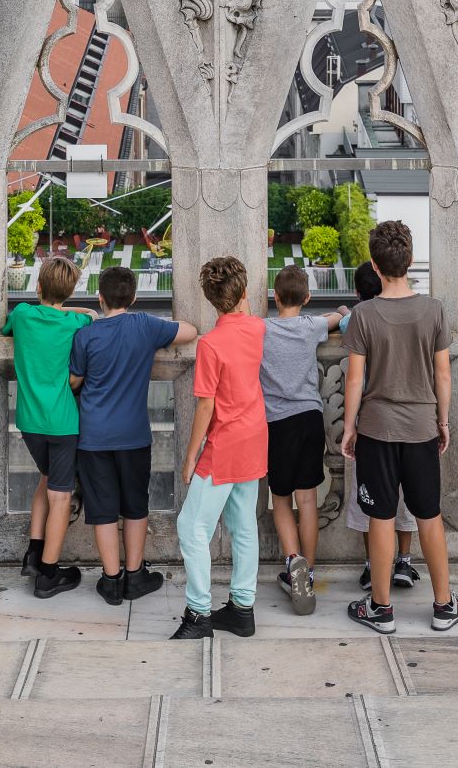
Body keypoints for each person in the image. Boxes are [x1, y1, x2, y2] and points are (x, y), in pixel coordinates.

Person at [342, 220, 458, 633]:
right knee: (428, 514)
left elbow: (355, 379)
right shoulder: (433, 310)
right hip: (421, 427)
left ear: (375, 267)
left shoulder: (363, 315)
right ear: (410, 260)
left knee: (380, 516)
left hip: (377, 429)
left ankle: (380, 609)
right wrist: (443, 420)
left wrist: (349, 426)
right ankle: (444, 605)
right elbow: (443, 375)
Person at [69, 264, 198, 604]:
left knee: (102, 509)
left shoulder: (86, 335)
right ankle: (135, 575)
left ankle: (110, 581)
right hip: (134, 435)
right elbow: (190, 331)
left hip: (93, 436)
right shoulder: (144, 325)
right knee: (135, 505)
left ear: (100, 298)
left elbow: (74, 381)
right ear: (134, 297)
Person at [172, 256, 267, 641]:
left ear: (211, 300)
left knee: (191, 527)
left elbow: (206, 405)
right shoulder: (258, 328)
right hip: (255, 437)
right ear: (245, 293)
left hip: (224, 443)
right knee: (244, 525)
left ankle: (198, 613)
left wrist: (191, 454)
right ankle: (242, 609)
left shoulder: (210, 344)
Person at [3, 255, 92, 598]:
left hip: (29, 421)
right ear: (69, 294)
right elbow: (88, 321)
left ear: (37, 286)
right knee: (60, 494)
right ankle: (49, 574)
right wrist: (81, 313)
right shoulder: (76, 325)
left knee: (44, 481)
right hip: (63, 423)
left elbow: (6, 328)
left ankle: (33, 553)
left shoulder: (23, 316)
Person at [260, 263, 347, 614]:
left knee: (281, 500)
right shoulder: (311, 326)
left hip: (277, 424)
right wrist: (341, 310)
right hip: (311, 418)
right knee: (308, 500)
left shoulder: (263, 329)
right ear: (306, 297)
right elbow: (337, 318)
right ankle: (307, 572)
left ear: (274, 297)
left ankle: (292, 560)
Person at [340, 260, 419, 593]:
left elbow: (345, 321)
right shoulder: (414, 314)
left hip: (371, 420)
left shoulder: (357, 320)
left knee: (368, 498)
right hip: (413, 422)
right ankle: (403, 560)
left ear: (359, 292)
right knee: (405, 496)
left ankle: (374, 565)